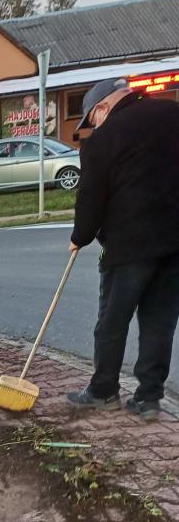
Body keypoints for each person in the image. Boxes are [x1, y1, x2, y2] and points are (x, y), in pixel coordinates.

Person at [66, 77, 179, 420]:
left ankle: (103, 391)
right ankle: (148, 398)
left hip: (127, 244)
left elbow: (91, 197)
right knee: (159, 322)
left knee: (112, 321)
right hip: (175, 242)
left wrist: (80, 236)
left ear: (102, 108)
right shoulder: (172, 114)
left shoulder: (103, 140)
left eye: (91, 120)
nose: (92, 127)